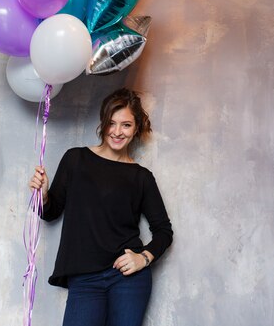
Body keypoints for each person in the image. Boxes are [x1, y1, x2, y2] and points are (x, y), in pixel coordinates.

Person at [29, 87, 173, 326]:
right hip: (84, 279)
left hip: (128, 279)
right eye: (111, 123)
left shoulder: (141, 177)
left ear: (136, 128)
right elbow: (50, 212)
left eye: (126, 125)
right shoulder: (75, 159)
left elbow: (164, 231)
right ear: (103, 123)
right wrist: (43, 197)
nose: (117, 132)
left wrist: (143, 258)